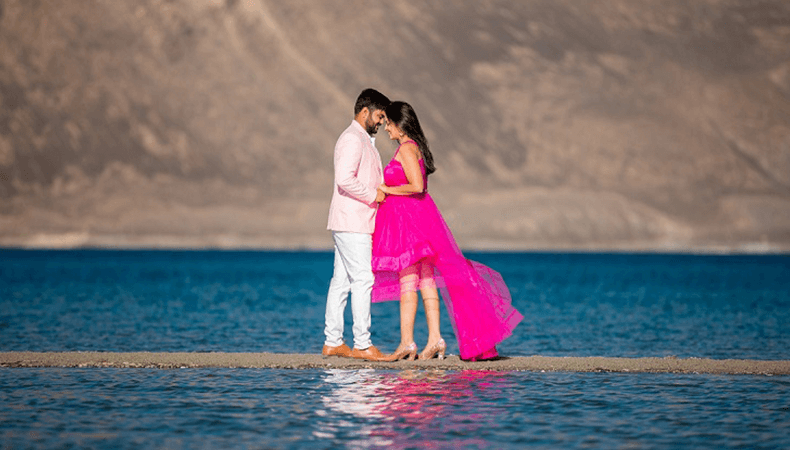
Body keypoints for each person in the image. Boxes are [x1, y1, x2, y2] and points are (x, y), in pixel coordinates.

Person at [372, 101, 523, 361]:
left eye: (388, 123)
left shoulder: (406, 149)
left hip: (411, 223)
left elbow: (417, 186)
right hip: (419, 219)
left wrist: (387, 190)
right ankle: (435, 340)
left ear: (399, 124)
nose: (386, 128)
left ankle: (407, 343)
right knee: (427, 280)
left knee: (409, 280)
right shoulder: (413, 147)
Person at [323, 88, 391, 361]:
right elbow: (344, 179)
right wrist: (374, 194)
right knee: (363, 279)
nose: (381, 122)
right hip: (353, 221)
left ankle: (333, 341)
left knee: (342, 281)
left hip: (349, 220)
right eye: (379, 116)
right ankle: (362, 344)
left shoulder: (362, 139)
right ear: (365, 112)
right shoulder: (353, 138)